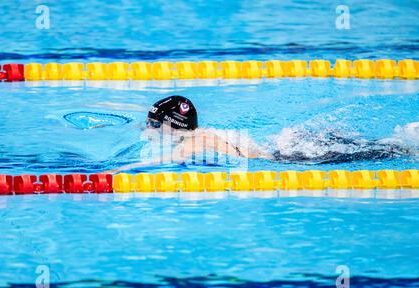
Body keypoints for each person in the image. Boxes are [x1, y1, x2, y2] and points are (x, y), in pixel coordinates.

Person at [105, 95, 412, 173]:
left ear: (173, 126)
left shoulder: (192, 143)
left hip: (294, 159)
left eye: (154, 124)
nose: (148, 130)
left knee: (389, 150)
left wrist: (119, 171)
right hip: (286, 147)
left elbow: (161, 164)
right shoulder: (194, 134)